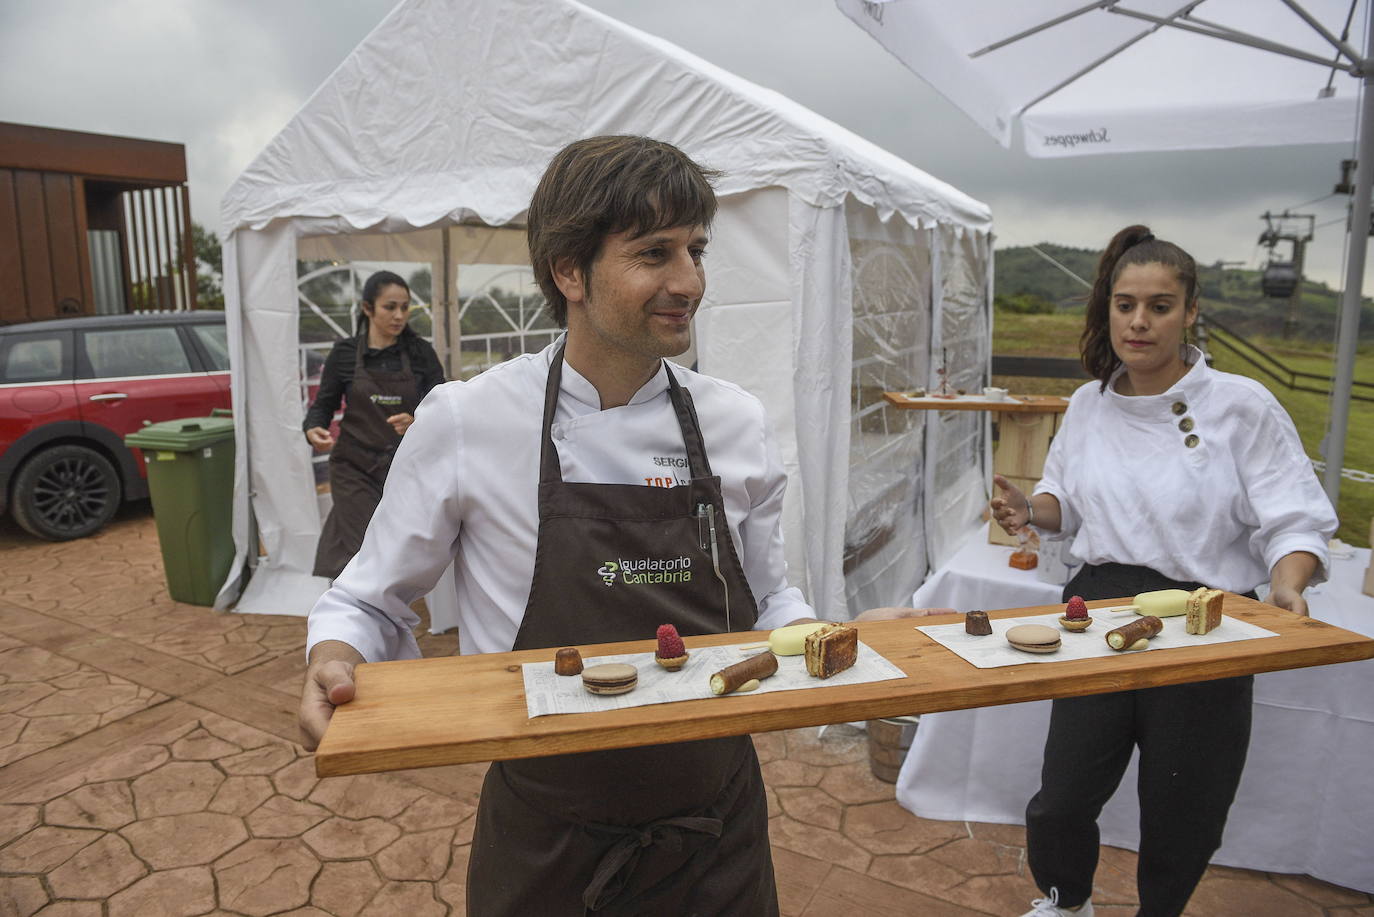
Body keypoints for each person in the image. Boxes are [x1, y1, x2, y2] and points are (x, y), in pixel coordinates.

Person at [299, 135, 938, 916]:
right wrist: (334, 653)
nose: (689, 281)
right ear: (570, 270)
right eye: (654, 253)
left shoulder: (733, 422)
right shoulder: (470, 419)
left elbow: (770, 601)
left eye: (697, 250)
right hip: (547, 841)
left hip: (714, 836)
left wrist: (840, 644)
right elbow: (367, 599)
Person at [990, 225, 1338, 917]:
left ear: (1191, 310)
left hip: (1207, 615)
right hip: (1099, 607)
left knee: (1186, 797)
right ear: (1108, 309)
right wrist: (1033, 506)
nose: (1139, 322)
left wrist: (1287, 583)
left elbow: (1295, 516)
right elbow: (1068, 501)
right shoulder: (1090, 403)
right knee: (1064, 790)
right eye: (1125, 305)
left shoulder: (1242, 406)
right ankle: (1066, 901)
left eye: (1159, 305)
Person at [302, 270, 445, 579]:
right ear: (367, 308)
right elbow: (323, 406)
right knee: (367, 547)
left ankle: (362, 610)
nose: (399, 315)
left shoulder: (420, 353)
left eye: (405, 307)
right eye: (390, 307)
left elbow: (444, 406)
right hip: (354, 466)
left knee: (398, 549)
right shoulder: (344, 354)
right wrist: (313, 429)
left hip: (405, 469)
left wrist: (417, 420)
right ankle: (364, 621)